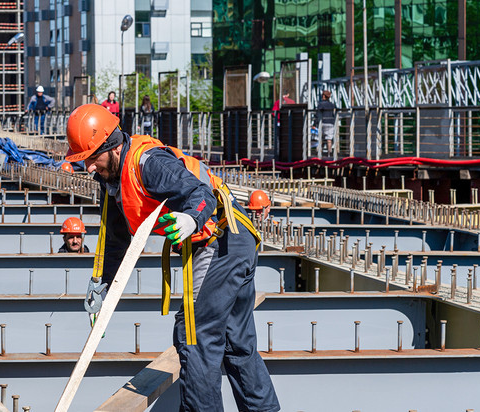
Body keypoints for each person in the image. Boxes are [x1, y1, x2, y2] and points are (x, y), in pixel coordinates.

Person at [66, 104, 279, 412]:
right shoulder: (113, 180)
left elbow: (201, 194)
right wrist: (102, 285)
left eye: (90, 158)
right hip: (234, 239)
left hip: (218, 238)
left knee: (194, 335)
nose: (88, 167)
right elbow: (114, 239)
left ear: (110, 145)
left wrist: (191, 218)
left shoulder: (147, 163)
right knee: (235, 342)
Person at [316, 90, 337, 156]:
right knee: (329, 139)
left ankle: (319, 153)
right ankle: (329, 153)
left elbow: (317, 114)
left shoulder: (321, 104)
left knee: (320, 138)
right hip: (330, 123)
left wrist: (315, 123)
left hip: (323, 123)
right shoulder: (332, 105)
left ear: (323, 96)